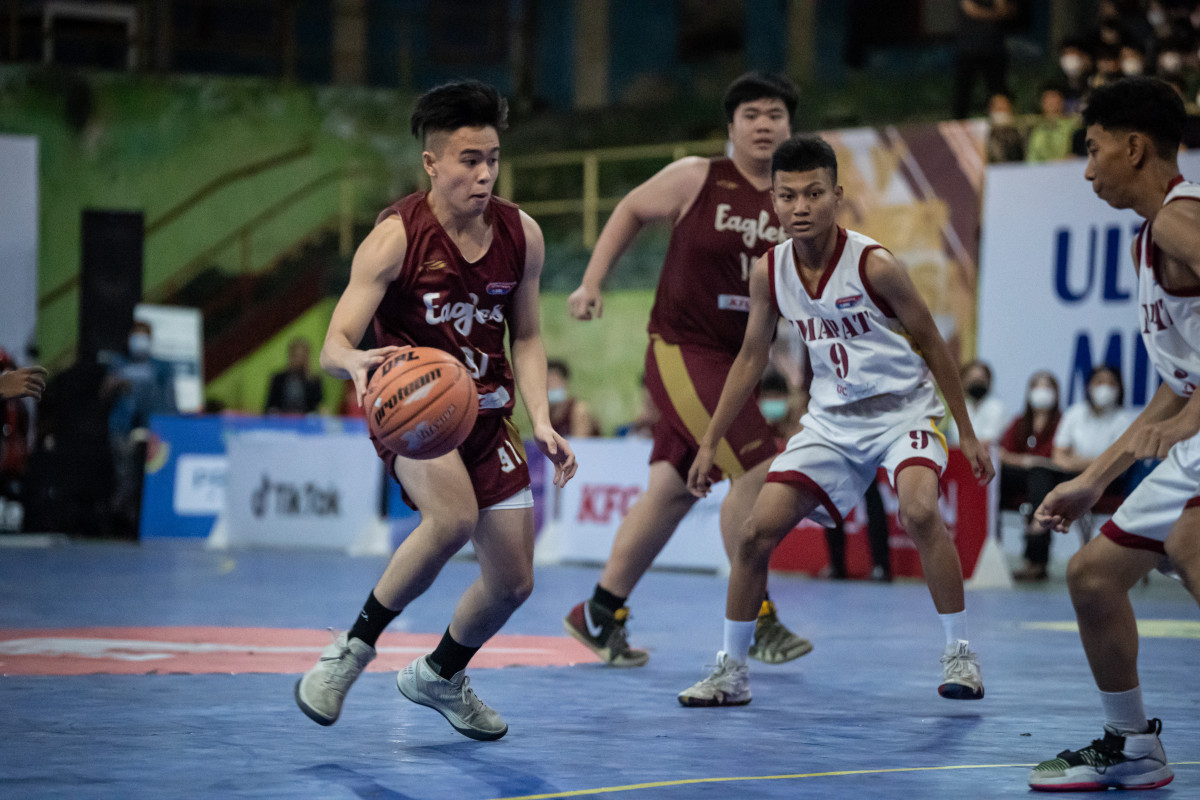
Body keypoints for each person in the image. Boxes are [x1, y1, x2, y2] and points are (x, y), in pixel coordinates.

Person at [294, 80, 577, 742]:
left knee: (513, 583)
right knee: (452, 519)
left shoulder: (521, 235)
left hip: (484, 414)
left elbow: (528, 337)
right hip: (414, 411)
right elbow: (337, 340)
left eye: (493, 159)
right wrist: (359, 363)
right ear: (432, 162)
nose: (484, 174)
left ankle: (440, 674)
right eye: (469, 160)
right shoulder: (396, 237)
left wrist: (540, 419)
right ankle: (349, 652)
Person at [678, 134, 994, 708]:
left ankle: (960, 655)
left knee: (920, 509)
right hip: (832, 423)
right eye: (788, 196)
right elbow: (751, 358)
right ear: (773, 201)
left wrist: (966, 431)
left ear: (837, 196)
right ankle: (732, 672)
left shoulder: (876, 265)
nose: (801, 207)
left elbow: (932, 342)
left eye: (814, 194)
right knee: (754, 534)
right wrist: (708, 441)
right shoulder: (769, 270)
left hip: (905, 413)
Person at [562, 72, 811, 668]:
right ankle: (759, 619)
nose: (763, 124)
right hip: (683, 350)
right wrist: (593, 281)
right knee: (754, 467)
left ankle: (598, 612)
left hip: (741, 361)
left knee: (672, 491)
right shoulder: (699, 176)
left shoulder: (794, 204)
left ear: (790, 128)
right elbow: (628, 209)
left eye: (774, 114)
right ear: (731, 127)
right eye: (751, 114)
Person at [1029, 76, 1196, 792]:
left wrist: (1191, 419)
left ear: (1135, 147)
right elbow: (1176, 383)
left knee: (1191, 543)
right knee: (1093, 576)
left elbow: (1188, 403)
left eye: (1094, 151)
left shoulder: (1176, 223)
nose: (1088, 169)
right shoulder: (1150, 240)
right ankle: (1132, 747)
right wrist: (1094, 477)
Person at [101, 320, 177, 536]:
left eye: (143, 336)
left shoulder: (161, 367)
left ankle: (140, 525)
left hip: (151, 432)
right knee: (126, 481)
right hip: (122, 429)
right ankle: (118, 524)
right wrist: (114, 384)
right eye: (135, 336)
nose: (139, 341)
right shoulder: (119, 364)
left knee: (149, 482)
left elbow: (170, 402)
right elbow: (103, 396)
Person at [998, 370, 1064, 581]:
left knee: (1040, 478)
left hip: (1050, 478)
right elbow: (1002, 452)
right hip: (1020, 475)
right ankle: (978, 549)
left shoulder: (1062, 422)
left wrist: (1038, 464)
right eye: (1037, 387)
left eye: (1047, 387)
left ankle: (1035, 560)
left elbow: (1060, 457)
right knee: (993, 477)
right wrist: (1027, 461)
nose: (1042, 392)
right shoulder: (1020, 422)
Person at [951, 0, 1016, 120]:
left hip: (995, 49)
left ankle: (1003, 124)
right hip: (968, 49)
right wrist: (995, 13)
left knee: (998, 92)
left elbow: (1009, 11)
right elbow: (971, 10)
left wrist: (998, 10)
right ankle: (958, 127)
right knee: (963, 95)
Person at [264, 336, 323, 414]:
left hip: (305, 422)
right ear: (290, 356)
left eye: (302, 356)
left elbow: (318, 406)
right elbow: (269, 406)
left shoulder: (314, 381)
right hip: (281, 421)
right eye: (296, 356)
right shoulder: (278, 379)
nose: (298, 360)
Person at [546, 358, 602, 437]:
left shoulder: (578, 410)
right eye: (547, 382)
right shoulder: (548, 415)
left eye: (553, 381)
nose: (550, 386)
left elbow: (580, 445)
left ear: (565, 382)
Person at [1025, 84, 1079, 163]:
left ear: (1061, 101)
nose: (1051, 102)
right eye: (1047, 99)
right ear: (1042, 103)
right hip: (1042, 171)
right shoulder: (1036, 130)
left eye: (1054, 97)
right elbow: (1031, 159)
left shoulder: (1074, 126)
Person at [986, 92, 1025, 163]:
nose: (1000, 110)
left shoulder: (1021, 132)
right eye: (997, 107)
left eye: (1004, 106)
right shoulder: (985, 134)